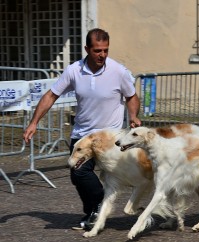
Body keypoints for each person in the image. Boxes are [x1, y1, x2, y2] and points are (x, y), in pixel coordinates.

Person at [23, 28, 141, 230]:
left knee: (103, 174)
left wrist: (133, 116)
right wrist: (34, 122)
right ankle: (97, 207)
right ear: (87, 49)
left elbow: (131, 96)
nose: (102, 55)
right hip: (82, 134)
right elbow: (51, 95)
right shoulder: (74, 70)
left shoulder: (118, 71)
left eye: (105, 50)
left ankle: (98, 210)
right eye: (97, 51)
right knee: (77, 174)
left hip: (108, 136)